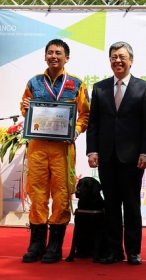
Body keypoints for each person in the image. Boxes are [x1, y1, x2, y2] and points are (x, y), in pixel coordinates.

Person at [20, 39, 90, 263]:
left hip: (63, 149)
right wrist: (27, 109)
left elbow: (86, 114)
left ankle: (55, 245)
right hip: (38, 147)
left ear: (66, 58)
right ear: (45, 57)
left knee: (61, 194)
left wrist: (76, 130)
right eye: (49, 53)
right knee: (37, 193)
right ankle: (37, 243)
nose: (53, 56)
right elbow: (24, 106)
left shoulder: (77, 84)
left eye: (58, 53)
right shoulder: (34, 82)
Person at [86, 41, 146, 265]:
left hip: (133, 158)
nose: (118, 60)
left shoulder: (144, 88)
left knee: (132, 205)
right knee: (112, 205)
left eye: (122, 56)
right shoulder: (100, 88)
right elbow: (94, 123)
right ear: (110, 61)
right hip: (106, 156)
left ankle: (133, 251)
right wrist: (92, 150)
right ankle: (114, 250)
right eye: (114, 56)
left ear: (131, 60)